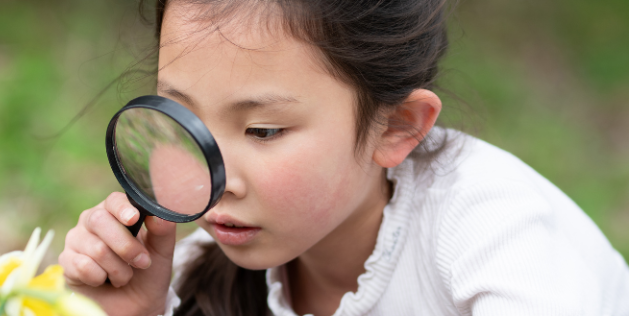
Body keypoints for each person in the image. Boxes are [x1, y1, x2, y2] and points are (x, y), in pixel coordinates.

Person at [57, 0, 629, 315]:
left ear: (397, 126)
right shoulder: (194, 272)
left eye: (262, 129)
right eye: (183, 122)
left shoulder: (499, 235)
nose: (215, 181)